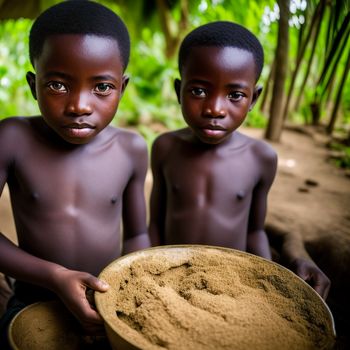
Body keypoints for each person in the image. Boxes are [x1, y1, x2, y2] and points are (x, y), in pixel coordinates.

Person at [0, 0, 150, 344]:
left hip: (109, 300)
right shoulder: (12, 139)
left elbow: (137, 236)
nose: (80, 105)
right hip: (34, 296)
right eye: (58, 85)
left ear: (122, 87)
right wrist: (54, 277)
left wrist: (132, 294)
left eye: (102, 87)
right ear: (33, 84)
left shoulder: (131, 149)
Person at [149, 21, 330, 299]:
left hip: (232, 278)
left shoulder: (261, 158)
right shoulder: (165, 147)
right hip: (173, 274)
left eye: (235, 95)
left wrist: (266, 283)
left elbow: (256, 230)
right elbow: (156, 223)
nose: (215, 109)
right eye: (198, 91)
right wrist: (151, 272)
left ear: (254, 98)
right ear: (178, 91)